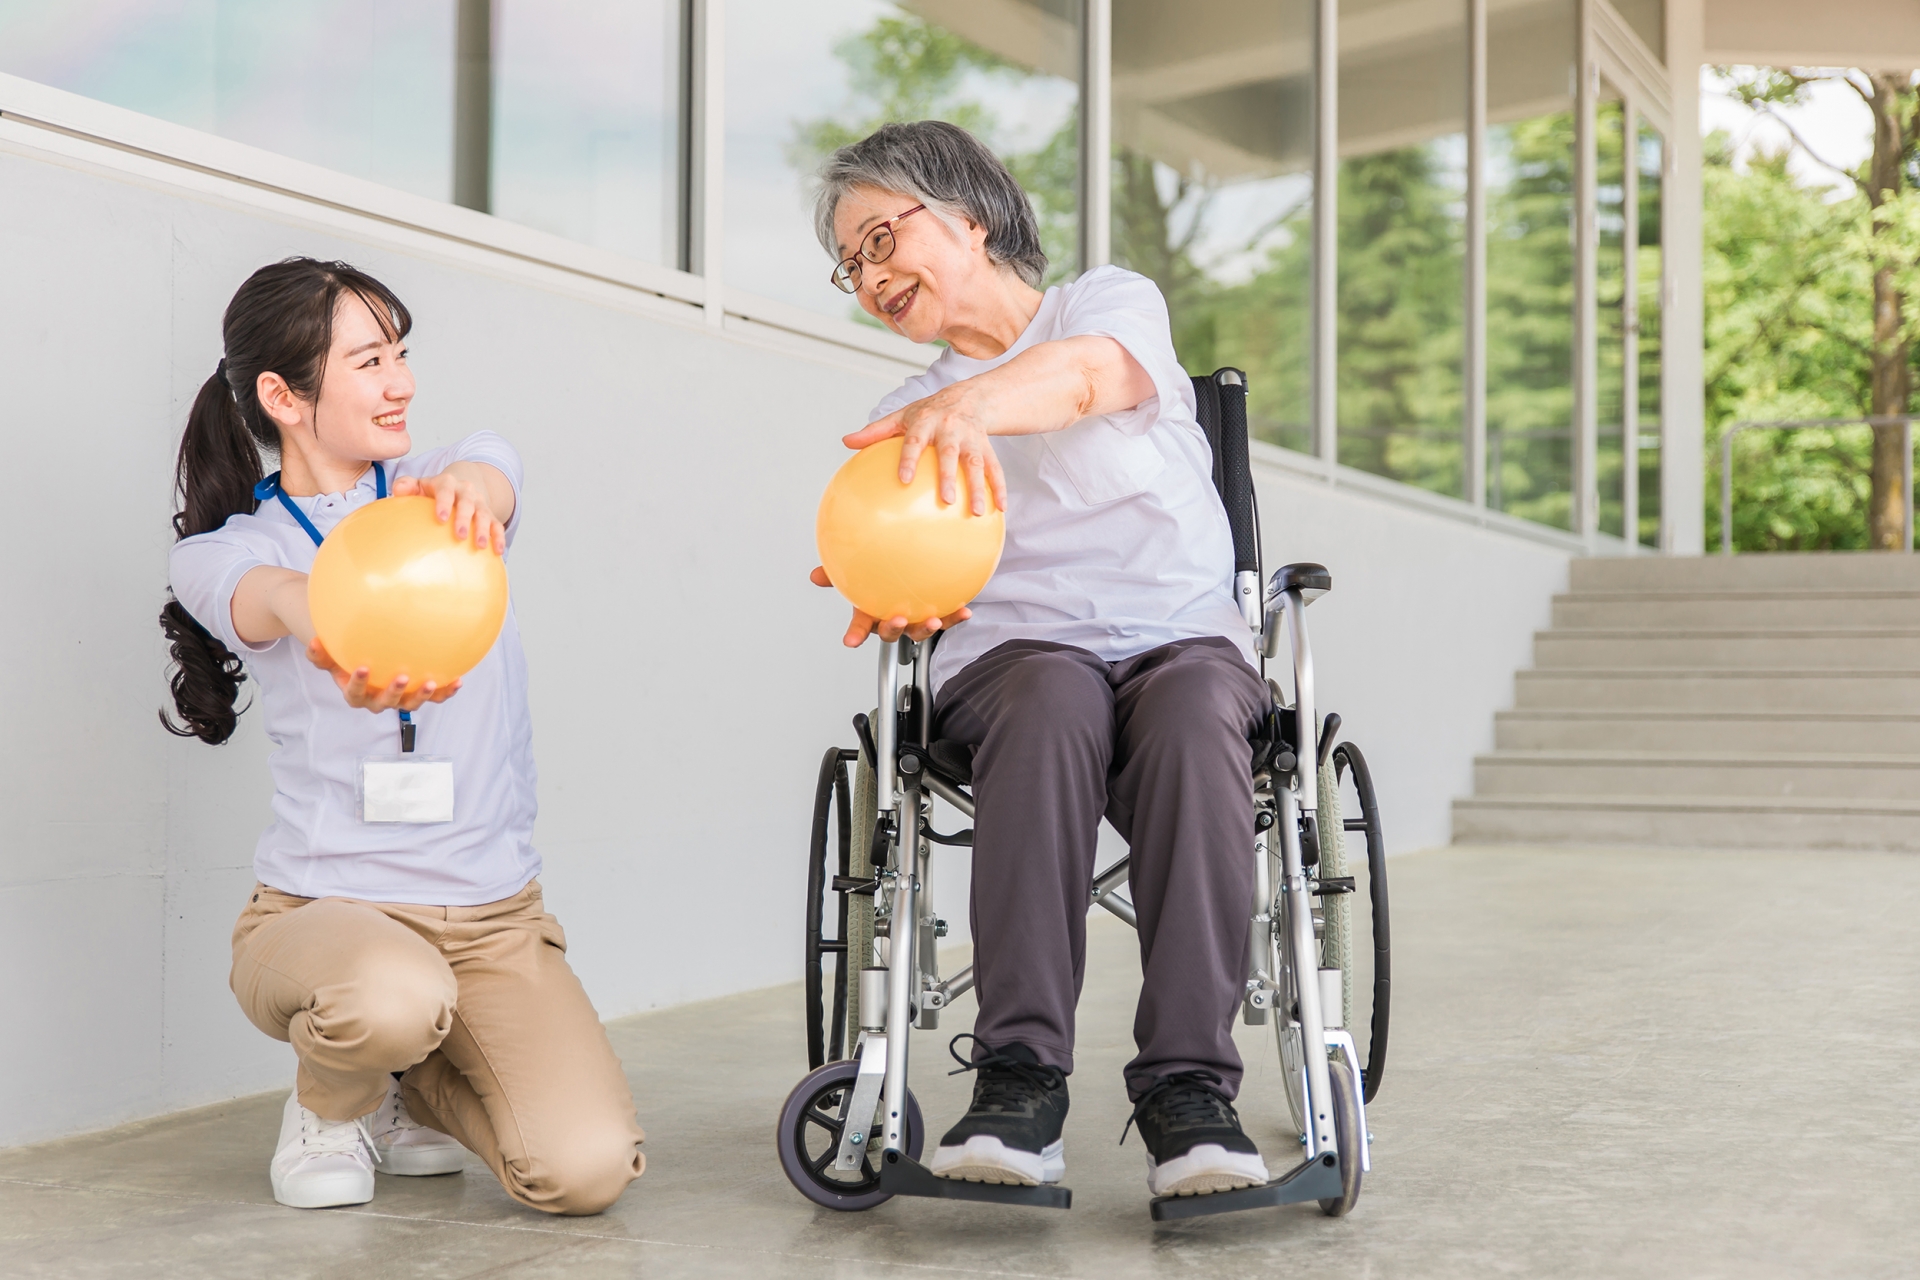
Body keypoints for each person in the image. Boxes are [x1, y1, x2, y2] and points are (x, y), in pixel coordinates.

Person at [807, 121, 1275, 1199]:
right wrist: (877, 577)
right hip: (1014, 662)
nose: (869, 277)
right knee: (1053, 693)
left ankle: (1191, 1091)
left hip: (1179, 637)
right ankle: (1018, 1080)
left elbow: (1085, 379)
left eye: (881, 239)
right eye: (850, 264)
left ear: (970, 217)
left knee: (1195, 707)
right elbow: (896, 554)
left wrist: (967, 406)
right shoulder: (901, 417)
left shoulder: (1107, 305)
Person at [161, 258, 644, 1214]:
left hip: (493, 919)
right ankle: (332, 1104)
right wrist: (335, 620)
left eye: (401, 354)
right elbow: (272, 598)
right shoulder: (230, 550)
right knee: (389, 997)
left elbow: (491, 470)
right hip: (325, 913)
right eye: (370, 361)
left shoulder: (439, 488)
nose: (402, 382)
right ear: (283, 397)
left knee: (584, 1170)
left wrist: (471, 486)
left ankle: (407, 1086)